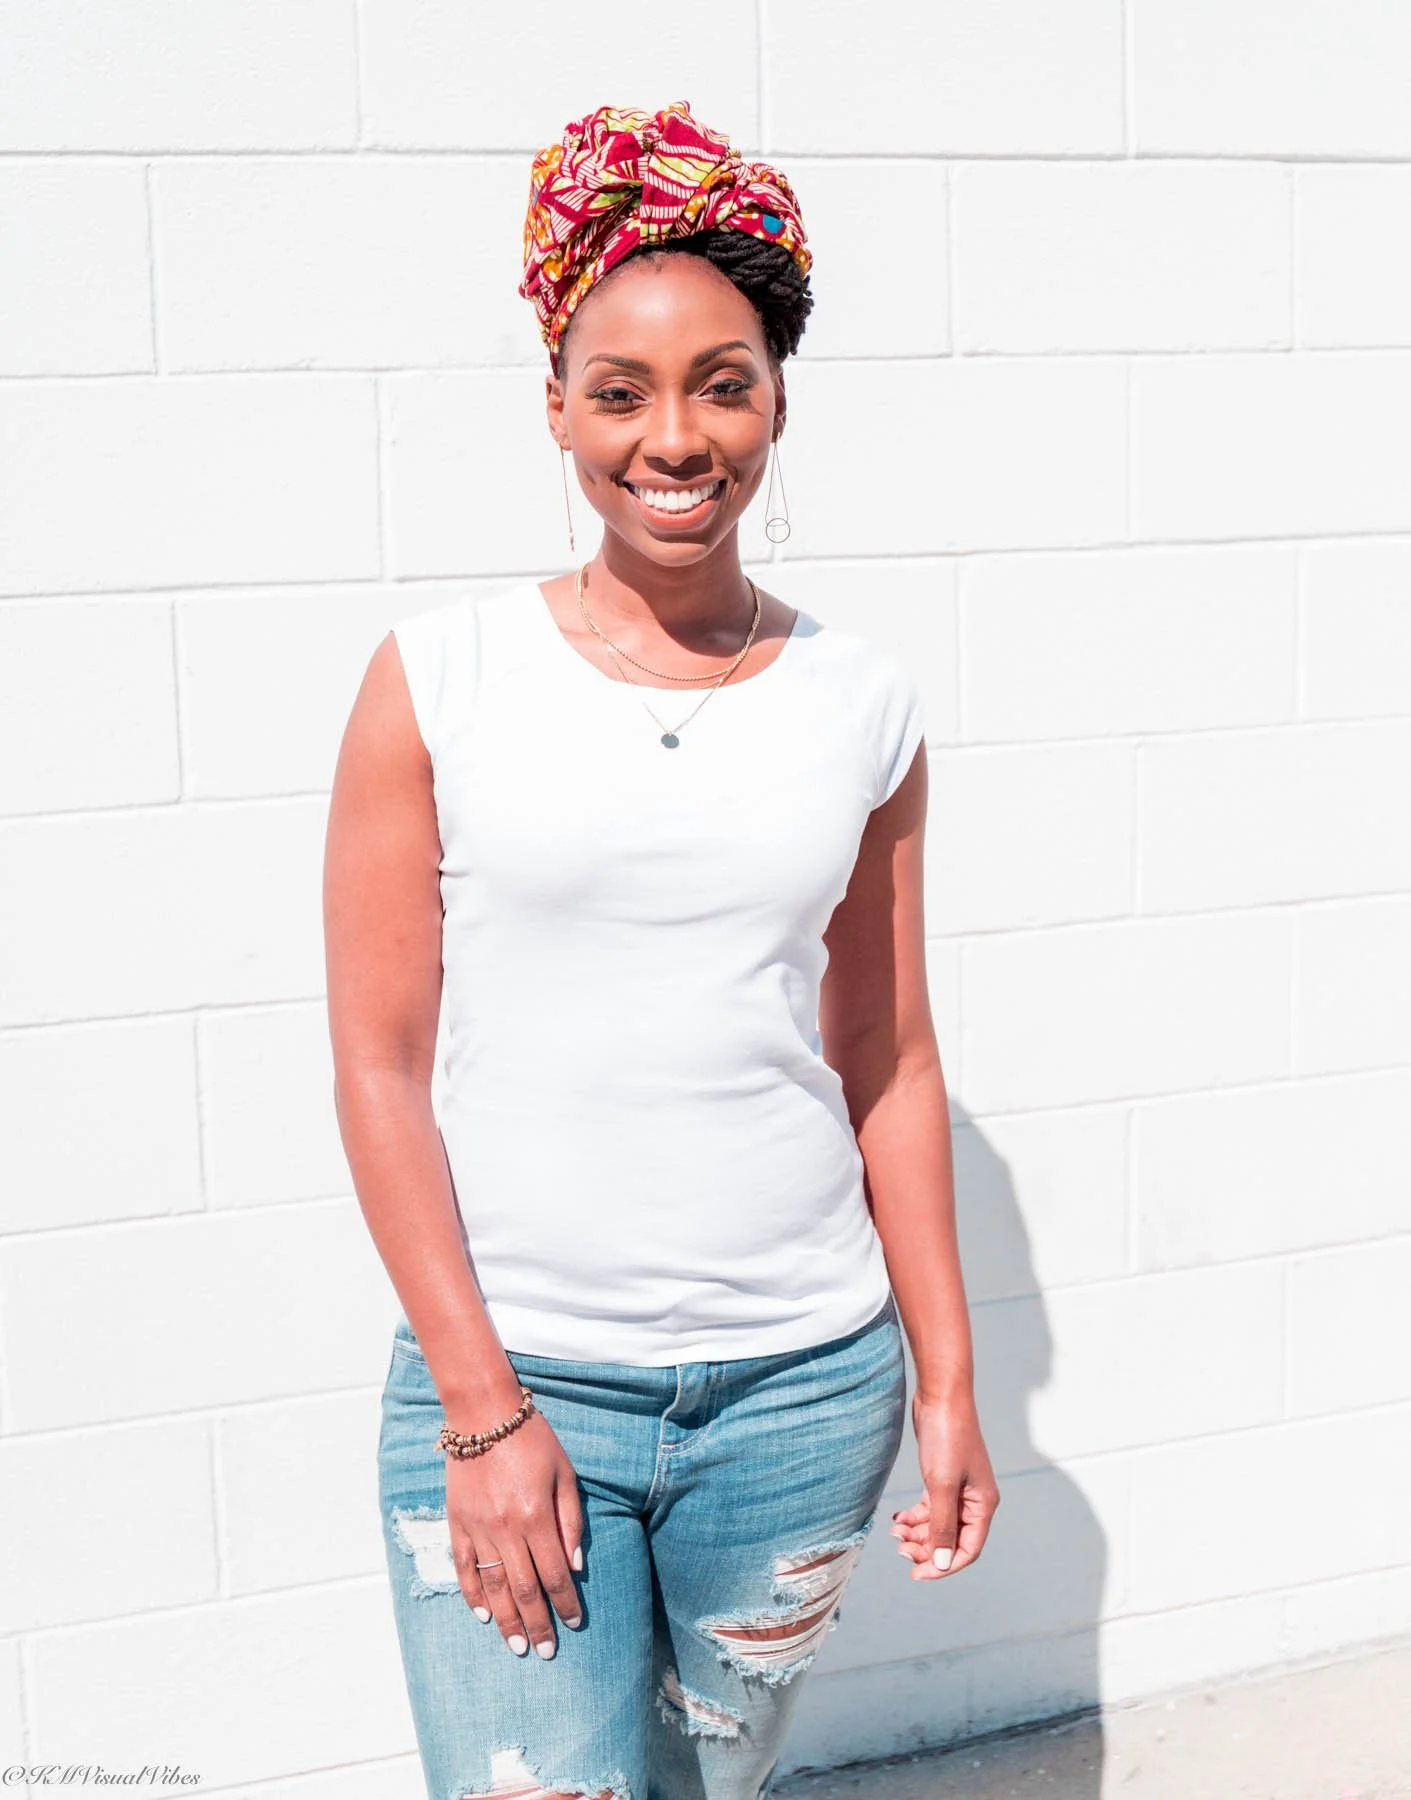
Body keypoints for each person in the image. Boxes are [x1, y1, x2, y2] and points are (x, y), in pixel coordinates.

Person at [323, 98, 999, 1800]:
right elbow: (378, 1066)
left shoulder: (866, 702)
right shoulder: (438, 679)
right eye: (618, 391)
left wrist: (945, 1384)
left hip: (799, 1395)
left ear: (775, 401)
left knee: (709, 1790)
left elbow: (887, 1059)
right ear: (556, 406)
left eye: (723, 380)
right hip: (518, 1372)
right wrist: (481, 1412)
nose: (674, 436)